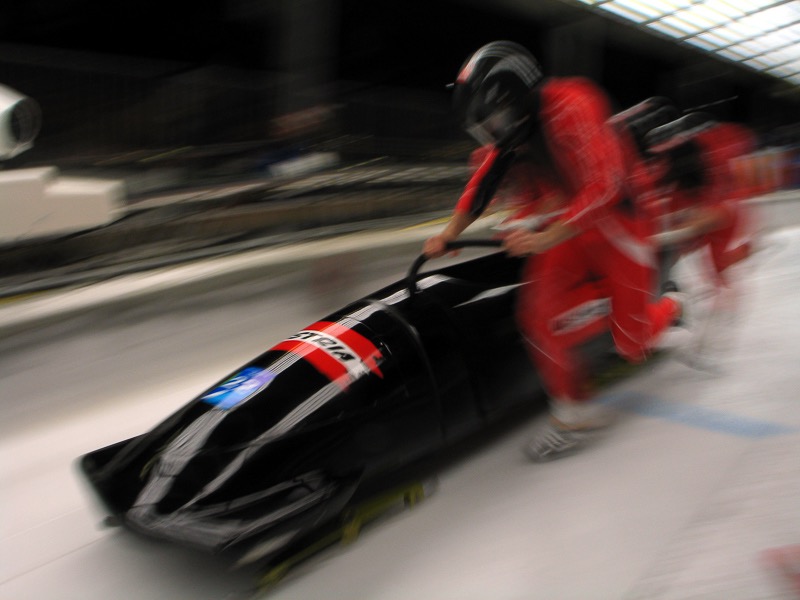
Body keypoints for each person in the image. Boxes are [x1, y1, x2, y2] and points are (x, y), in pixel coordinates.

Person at [423, 40, 683, 461]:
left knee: (632, 345)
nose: (492, 134)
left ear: (517, 97)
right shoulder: (514, 129)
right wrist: (448, 233)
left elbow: (607, 185)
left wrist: (545, 235)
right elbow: (486, 180)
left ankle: (667, 307)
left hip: (621, 221)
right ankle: (572, 414)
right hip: (573, 222)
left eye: (494, 121)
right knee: (537, 314)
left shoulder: (574, 103)